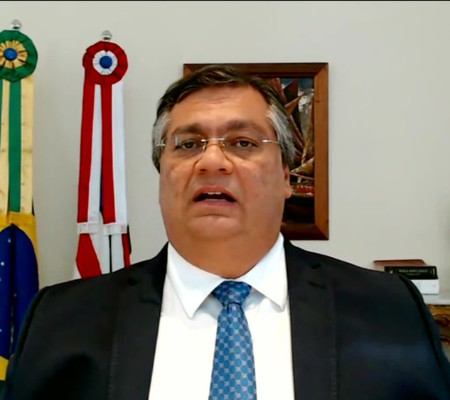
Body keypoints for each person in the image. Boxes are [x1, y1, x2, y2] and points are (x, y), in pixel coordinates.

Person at [2, 65, 450, 400]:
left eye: (243, 143)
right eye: (188, 144)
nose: (212, 161)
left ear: (286, 176)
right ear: (162, 174)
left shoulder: (387, 309)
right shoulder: (63, 319)